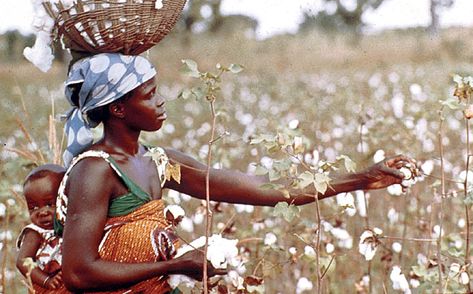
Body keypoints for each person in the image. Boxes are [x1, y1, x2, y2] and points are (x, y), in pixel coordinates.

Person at [56, 53, 411, 293]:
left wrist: (362, 179)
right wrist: (172, 266)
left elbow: (264, 189)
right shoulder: (94, 170)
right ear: (118, 108)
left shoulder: (159, 160)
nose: (161, 101)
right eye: (149, 96)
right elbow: (77, 272)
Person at [16, 164, 66, 293]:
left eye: (49, 204)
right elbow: (22, 261)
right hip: (45, 286)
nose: (42, 212)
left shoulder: (70, 224)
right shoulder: (35, 232)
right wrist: (46, 280)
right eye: (33, 207)